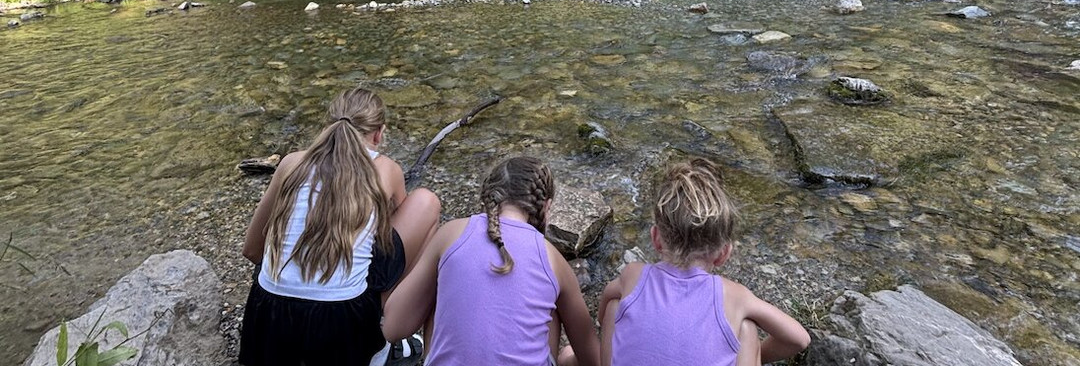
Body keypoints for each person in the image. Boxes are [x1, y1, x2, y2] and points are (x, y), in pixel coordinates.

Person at [239, 87, 441, 366]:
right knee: (426, 203)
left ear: (327, 125)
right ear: (379, 134)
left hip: (267, 322)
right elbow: (393, 244)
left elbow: (251, 250)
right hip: (342, 324)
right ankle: (383, 333)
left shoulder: (291, 163)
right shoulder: (385, 168)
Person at [382, 156, 601, 366]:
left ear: (487, 198)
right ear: (546, 206)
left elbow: (392, 329)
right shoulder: (553, 259)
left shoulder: (451, 233)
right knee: (550, 305)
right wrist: (568, 359)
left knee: (442, 281)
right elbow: (593, 359)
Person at [599, 158, 810, 366]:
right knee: (746, 328)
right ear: (724, 253)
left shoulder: (633, 274)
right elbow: (799, 339)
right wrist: (752, 353)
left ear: (656, 238)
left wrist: (605, 322)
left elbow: (608, 296)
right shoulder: (734, 296)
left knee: (615, 307)